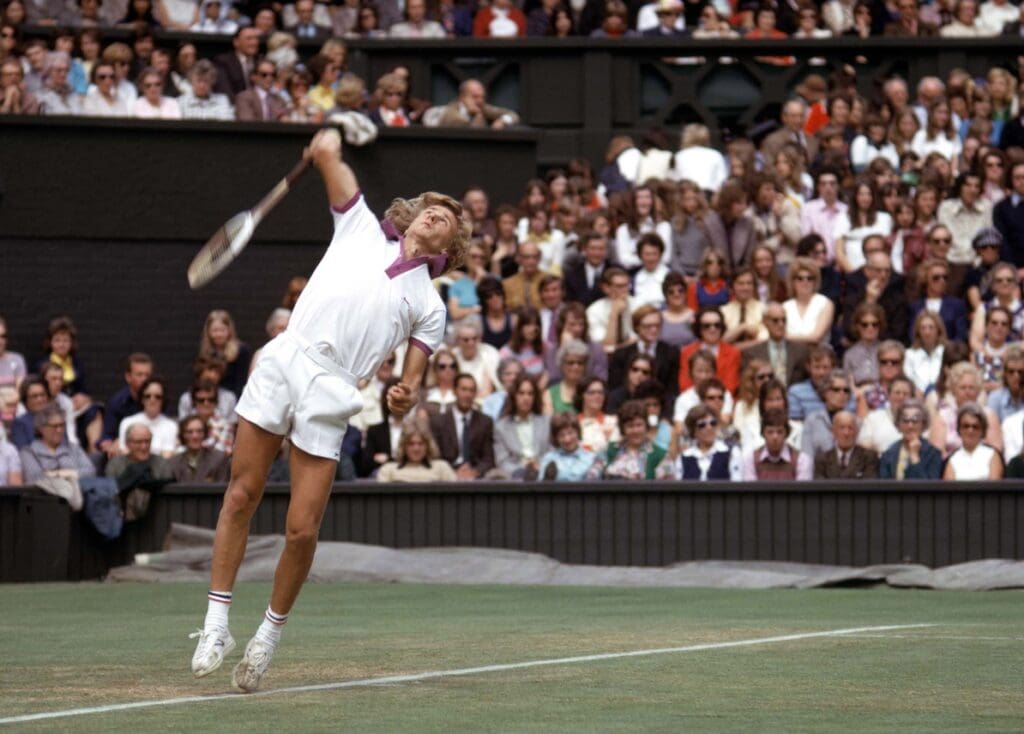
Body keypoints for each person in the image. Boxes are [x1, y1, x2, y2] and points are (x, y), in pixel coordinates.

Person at [190, 128, 471, 693]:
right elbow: (332, 161)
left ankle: (268, 635)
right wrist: (325, 146)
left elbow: (411, 382)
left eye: (447, 219)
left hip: (335, 389)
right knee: (241, 494)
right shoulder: (360, 225)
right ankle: (215, 623)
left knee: (301, 529)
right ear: (412, 216)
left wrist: (403, 394)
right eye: (430, 209)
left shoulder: (430, 307)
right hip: (286, 359)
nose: (436, 216)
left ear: (449, 246)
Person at [428, 373, 495, 480]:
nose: (468, 394)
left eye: (471, 390)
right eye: (464, 389)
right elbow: (435, 456)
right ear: (454, 391)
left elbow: (488, 459)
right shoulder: (438, 421)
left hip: (476, 477)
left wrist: (475, 471)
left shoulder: (485, 422)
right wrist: (453, 473)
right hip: (446, 476)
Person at [656, 404, 741, 480]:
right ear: (693, 431)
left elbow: (737, 486)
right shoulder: (683, 458)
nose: (709, 428)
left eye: (713, 423)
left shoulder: (732, 453)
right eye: (702, 425)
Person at [19, 404, 97, 485]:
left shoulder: (73, 448)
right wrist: (73, 474)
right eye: (54, 426)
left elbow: (90, 471)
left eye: (62, 425)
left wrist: (60, 474)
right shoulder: (29, 452)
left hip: (77, 493)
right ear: (41, 428)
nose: (59, 430)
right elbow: (35, 478)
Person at [493, 373, 549, 479]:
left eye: (530, 394)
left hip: (542, 474)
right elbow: (502, 461)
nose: (526, 398)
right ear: (514, 396)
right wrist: (523, 468)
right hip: (516, 477)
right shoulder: (501, 427)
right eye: (521, 393)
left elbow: (551, 453)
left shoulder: (546, 422)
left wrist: (540, 465)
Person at [741, 302, 808, 386]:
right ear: (765, 321)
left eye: (784, 320)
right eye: (775, 320)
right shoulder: (752, 353)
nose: (781, 324)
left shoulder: (801, 351)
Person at [741, 407, 813, 480]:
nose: (775, 437)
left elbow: (802, 491)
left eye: (780, 432)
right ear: (763, 433)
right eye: (770, 432)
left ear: (786, 433)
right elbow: (750, 490)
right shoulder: (751, 459)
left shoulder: (802, 460)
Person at [879, 398, 943, 478]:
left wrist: (914, 457)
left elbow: (929, 488)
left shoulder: (933, 454)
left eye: (915, 420)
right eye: (905, 420)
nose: (910, 425)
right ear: (898, 424)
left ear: (923, 424)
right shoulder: (888, 454)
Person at [604, 399, 666, 480]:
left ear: (646, 426)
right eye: (630, 426)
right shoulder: (609, 449)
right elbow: (592, 480)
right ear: (623, 428)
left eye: (639, 425)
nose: (635, 431)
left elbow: (668, 489)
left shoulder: (660, 455)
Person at [118, 377, 178, 457]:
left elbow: (167, 456)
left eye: (158, 397)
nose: (152, 400)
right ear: (142, 399)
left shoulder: (171, 426)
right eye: (147, 396)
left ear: (163, 400)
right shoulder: (127, 422)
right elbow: (124, 451)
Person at [377, 422, 457, 482]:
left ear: (428, 446)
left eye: (421, 443)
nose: (416, 449)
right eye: (411, 444)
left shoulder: (442, 468)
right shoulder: (388, 470)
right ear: (403, 446)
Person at [944, 402, 1004, 480]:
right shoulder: (952, 459)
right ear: (959, 429)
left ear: (982, 430)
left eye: (975, 427)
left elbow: (995, 486)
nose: (970, 430)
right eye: (966, 426)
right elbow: (949, 489)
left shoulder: (992, 455)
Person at [801, 369, 852, 458]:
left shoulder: (855, 422)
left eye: (846, 390)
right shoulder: (812, 421)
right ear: (825, 392)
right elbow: (806, 456)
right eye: (836, 390)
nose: (842, 394)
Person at [813, 410, 879, 478]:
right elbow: (820, 487)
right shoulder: (822, 459)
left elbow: (869, 486)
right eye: (842, 428)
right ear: (833, 432)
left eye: (850, 428)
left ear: (856, 432)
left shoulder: (868, 457)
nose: (846, 433)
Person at [782, 258, 834, 344]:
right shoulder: (785, 307)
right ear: (792, 282)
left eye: (810, 278)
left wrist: (787, 337)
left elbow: (816, 337)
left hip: (819, 354)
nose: (805, 281)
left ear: (815, 281)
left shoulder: (825, 303)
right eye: (800, 278)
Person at [538, 412, 604, 481]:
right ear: (556, 438)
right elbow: (541, 487)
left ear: (578, 432)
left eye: (570, 433)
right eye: (561, 435)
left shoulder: (591, 459)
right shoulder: (549, 458)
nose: (567, 439)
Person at [170, 415, 231, 482]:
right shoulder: (174, 463)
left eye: (199, 431)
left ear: (204, 433)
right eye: (190, 432)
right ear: (183, 435)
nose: (195, 436)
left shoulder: (219, 459)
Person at [438, 78, 519, 128]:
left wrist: (502, 121)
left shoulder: (482, 107)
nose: (480, 101)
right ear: (462, 97)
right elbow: (470, 132)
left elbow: (512, 114)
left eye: (482, 97)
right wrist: (478, 115)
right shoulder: (451, 113)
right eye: (475, 97)